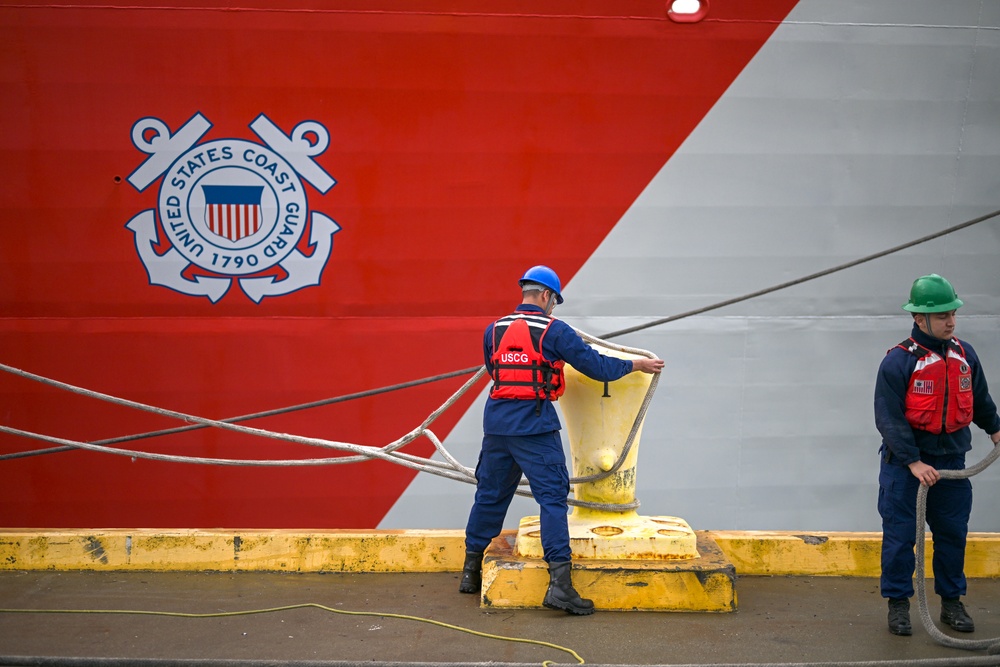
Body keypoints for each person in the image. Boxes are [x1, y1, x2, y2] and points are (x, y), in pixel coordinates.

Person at [458, 265, 664, 615]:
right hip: (535, 427)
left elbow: (495, 372)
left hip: (496, 426)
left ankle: (469, 573)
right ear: (547, 296)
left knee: (490, 495)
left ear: (525, 291)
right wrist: (637, 365)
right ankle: (560, 586)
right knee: (553, 500)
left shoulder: (494, 329)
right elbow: (597, 367)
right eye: (554, 301)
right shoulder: (554, 330)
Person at [874, 274, 1000, 636]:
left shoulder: (964, 354)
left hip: (951, 466)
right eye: (943, 315)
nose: (951, 321)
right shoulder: (898, 363)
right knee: (900, 539)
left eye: (953, 313)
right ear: (919, 319)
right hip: (905, 467)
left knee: (952, 536)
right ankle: (898, 605)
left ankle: (951, 603)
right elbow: (888, 417)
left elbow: (979, 399)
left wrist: (995, 428)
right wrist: (913, 461)